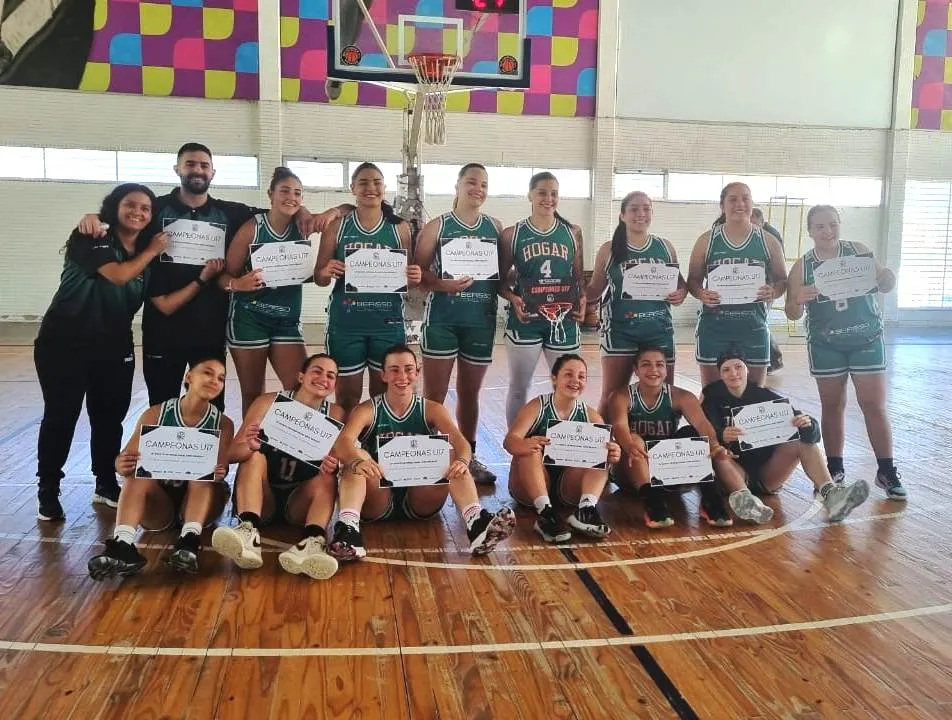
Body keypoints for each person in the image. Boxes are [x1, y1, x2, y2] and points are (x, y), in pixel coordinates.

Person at [77, 142, 343, 412]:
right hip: (164, 323)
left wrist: (306, 210)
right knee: (162, 402)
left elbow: (280, 208)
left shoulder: (232, 212)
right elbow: (126, 216)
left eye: (204, 165)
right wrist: (96, 218)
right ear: (177, 168)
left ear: (212, 173)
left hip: (209, 325)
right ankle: (166, 454)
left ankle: (217, 453)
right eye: (190, 164)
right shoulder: (155, 209)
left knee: (212, 405)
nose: (197, 170)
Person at [35, 183, 167, 521]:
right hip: (63, 342)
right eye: (130, 204)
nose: (138, 212)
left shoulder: (147, 259)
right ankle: (48, 491)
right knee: (61, 417)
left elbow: (159, 300)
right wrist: (152, 250)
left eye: (145, 208)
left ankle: (105, 484)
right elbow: (118, 276)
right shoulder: (92, 237)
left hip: (114, 345)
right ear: (114, 206)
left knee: (109, 418)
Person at [328, 344, 516, 560]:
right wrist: (356, 460)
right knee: (356, 457)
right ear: (383, 375)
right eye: (394, 369)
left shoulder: (432, 409)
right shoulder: (368, 409)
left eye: (408, 369)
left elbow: (461, 442)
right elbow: (343, 442)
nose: (402, 376)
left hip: (421, 497)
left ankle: (476, 523)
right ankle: (348, 531)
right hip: (377, 498)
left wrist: (463, 461)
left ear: (417, 373)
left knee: (452, 456)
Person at [784, 205, 906, 499]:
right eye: (820, 227)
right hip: (827, 344)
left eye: (832, 224)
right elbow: (791, 312)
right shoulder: (803, 265)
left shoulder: (858, 251)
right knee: (833, 405)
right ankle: (835, 467)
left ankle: (886, 470)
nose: (828, 231)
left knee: (873, 405)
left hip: (866, 339)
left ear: (840, 225)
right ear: (810, 231)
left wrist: (887, 277)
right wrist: (798, 298)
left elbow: (886, 283)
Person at [87, 356, 234, 580]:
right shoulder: (156, 413)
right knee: (137, 474)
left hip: (201, 501)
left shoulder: (223, 423)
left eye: (221, 378)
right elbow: (124, 460)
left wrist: (220, 470)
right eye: (207, 372)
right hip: (160, 503)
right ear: (188, 377)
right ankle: (123, 544)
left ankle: (190, 541)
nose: (214, 380)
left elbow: (219, 470)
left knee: (203, 470)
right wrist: (121, 464)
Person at [607, 347, 774, 529]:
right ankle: (652, 502)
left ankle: (709, 499)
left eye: (659, 365)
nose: (653, 370)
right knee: (634, 438)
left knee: (693, 435)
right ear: (636, 370)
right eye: (646, 365)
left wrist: (715, 445)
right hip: (630, 470)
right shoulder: (622, 396)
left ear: (666, 369)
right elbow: (619, 427)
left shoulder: (681, 396)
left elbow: (702, 425)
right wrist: (630, 446)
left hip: (667, 470)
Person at [212, 353, 343, 580]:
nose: (323, 378)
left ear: (334, 385)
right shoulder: (268, 402)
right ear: (301, 376)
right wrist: (250, 446)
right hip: (263, 497)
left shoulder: (335, 414)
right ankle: (248, 532)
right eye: (317, 371)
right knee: (254, 457)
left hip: (299, 502)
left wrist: (334, 464)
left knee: (327, 476)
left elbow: (340, 464)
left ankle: (313, 542)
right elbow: (231, 454)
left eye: (331, 375)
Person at [701, 350, 870, 520]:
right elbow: (699, 435)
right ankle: (747, 502)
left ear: (747, 370)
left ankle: (831, 494)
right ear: (720, 375)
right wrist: (721, 435)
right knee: (719, 454)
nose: (734, 373)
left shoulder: (764, 396)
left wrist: (807, 423)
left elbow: (812, 432)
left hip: (768, 473)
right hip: (733, 473)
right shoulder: (711, 398)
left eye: (738, 367)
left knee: (800, 441)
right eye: (726, 369)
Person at [415, 163, 502, 484]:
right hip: (443, 319)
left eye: (483, 184)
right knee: (434, 396)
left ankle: (470, 457)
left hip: (480, 321)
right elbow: (418, 275)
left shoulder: (495, 227)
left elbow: (504, 276)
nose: (477, 189)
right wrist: (443, 285)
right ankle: (427, 456)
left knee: (470, 394)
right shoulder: (438, 226)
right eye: (471, 182)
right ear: (458, 185)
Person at [315, 163, 422, 414]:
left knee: (383, 396)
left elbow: (406, 279)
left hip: (387, 323)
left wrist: (415, 276)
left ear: (384, 188)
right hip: (347, 323)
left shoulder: (400, 228)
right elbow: (319, 277)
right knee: (347, 396)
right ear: (353, 188)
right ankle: (347, 451)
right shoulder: (338, 225)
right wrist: (325, 270)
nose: (370, 187)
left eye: (376, 182)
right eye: (363, 182)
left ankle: (374, 451)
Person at [586, 191, 687, 418]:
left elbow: (681, 284)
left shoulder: (665, 247)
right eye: (634, 209)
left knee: (664, 394)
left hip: (659, 331)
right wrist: (571, 294)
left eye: (646, 208)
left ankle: (663, 448)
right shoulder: (609, 249)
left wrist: (681, 293)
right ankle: (601, 449)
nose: (640, 214)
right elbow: (594, 290)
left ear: (652, 212)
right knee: (612, 395)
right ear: (622, 215)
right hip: (621, 331)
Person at [498, 171, 588, 425]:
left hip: (563, 319)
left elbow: (578, 277)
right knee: (519, 387)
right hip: (526, 319)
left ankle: (567, 449)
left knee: (569, 386)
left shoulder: (572, 232)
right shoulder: (512, 234)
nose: (548, 198)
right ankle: (516, 449)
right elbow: (500, 281)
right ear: (530, 195)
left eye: (554, 193)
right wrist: (512, 299)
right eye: (542, 193)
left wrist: (582, 299)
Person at [504, 354, 620, 543]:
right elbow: (510, 440)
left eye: (581, 376)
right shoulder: (537, 406)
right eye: (569, 374)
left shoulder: (591, 415)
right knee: (530, 449)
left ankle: (585, 510)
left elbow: (611, 452)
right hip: (529, 482)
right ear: (554, 378)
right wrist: (524, 443)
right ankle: (545, 514)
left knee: (602, 451)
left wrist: (614, 453)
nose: (575, 380)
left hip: (569, 486)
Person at [225, 167, 311, 415]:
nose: (291, 197)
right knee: (252, 393)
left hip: (286, 319)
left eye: (297, 193)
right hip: (249, 318)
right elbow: (224, 276)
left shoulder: (303, 225)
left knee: (299, 388)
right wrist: (237, 284)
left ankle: (290, 449)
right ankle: (250, 452)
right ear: (270, 194)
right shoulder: (253, 227)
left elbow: (347, 210)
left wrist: (319, 211)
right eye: (284, 191)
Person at [687, 182, 788, 387]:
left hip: (753, 327)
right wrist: (701, 293)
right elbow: (693, 280)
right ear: (722, 205)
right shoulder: (706, 241)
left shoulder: (768, 241)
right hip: (714, 327)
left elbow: (782, 280)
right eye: (733, 199)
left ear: (752, 203)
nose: (739, 204)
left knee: (753, 395)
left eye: (745, 198)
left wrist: (774, 291)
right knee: (712, 396)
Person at [751, 207, 785, 375]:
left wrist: (772, 288)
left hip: (766, 284)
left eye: (754, 224)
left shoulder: (771, 238)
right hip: (749, 284)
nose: (751, 227)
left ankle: (773, 358)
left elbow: (778, 266)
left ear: (762, 222)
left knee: (760, 320)